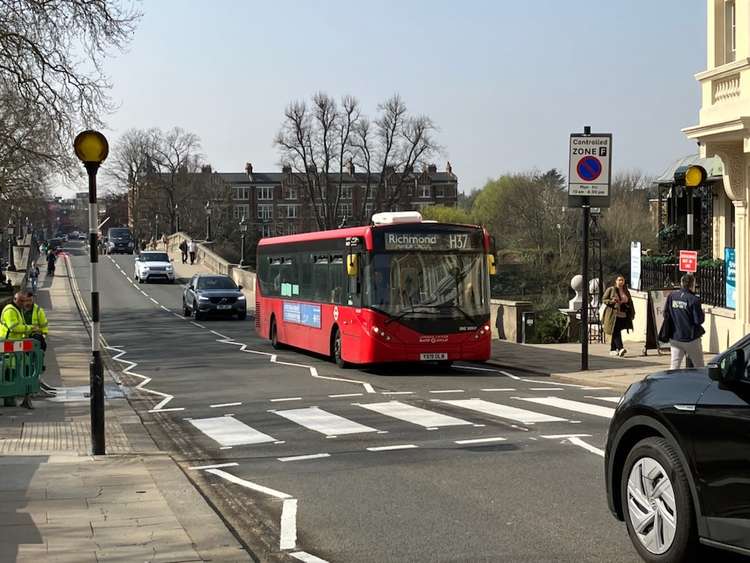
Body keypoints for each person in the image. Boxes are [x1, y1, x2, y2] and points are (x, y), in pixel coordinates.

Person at [0, 292, 39, 408]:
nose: (23, 303)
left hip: (15, 347)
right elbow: (14, 327)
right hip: (7, 347)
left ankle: (16, 398)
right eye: (21, 301)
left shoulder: (17, 309)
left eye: (24, 301)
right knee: (9, 372)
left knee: (16, 371)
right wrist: (30, 328)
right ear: (15, 299)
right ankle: (9, 399)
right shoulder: (10, 310)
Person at [664, 273, 705, 369]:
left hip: (675, 337)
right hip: (691, 338)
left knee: (674, 366)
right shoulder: (694, 299)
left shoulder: (672, 296)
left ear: (681, 283)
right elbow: (698, 320)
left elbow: (666, 314)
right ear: (692, 284)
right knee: (699, 366)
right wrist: (703, 314)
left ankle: (671, 383)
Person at [602, 274, 635, 357]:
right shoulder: (611, 289)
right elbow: (604, 299)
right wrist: (612, 301)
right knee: (616, 330)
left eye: (622, 280)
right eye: (619, 280)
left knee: (616, 331)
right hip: (613, 314)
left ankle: (613, 349)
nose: (621, 282)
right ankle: (620, 348)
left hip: (623, 314)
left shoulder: (626, 291)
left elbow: (630, 302)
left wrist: (632, 312)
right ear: (615, 281)